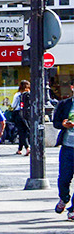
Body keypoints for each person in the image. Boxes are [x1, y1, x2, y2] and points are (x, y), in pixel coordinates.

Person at [55, 82, 74, 216]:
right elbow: (56, 122)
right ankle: (64, 198)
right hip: (68, 147)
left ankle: (73, 209)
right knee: (64, 178)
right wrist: (62, 124)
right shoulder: (64, 104)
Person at [16, 80, 36, 155]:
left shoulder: (19, 94)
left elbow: (14, 105)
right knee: (25, 131)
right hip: (29, 115)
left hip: (20, 114)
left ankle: (27, 148)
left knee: (22, 132)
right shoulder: (31, 94)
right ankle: (20, 149)